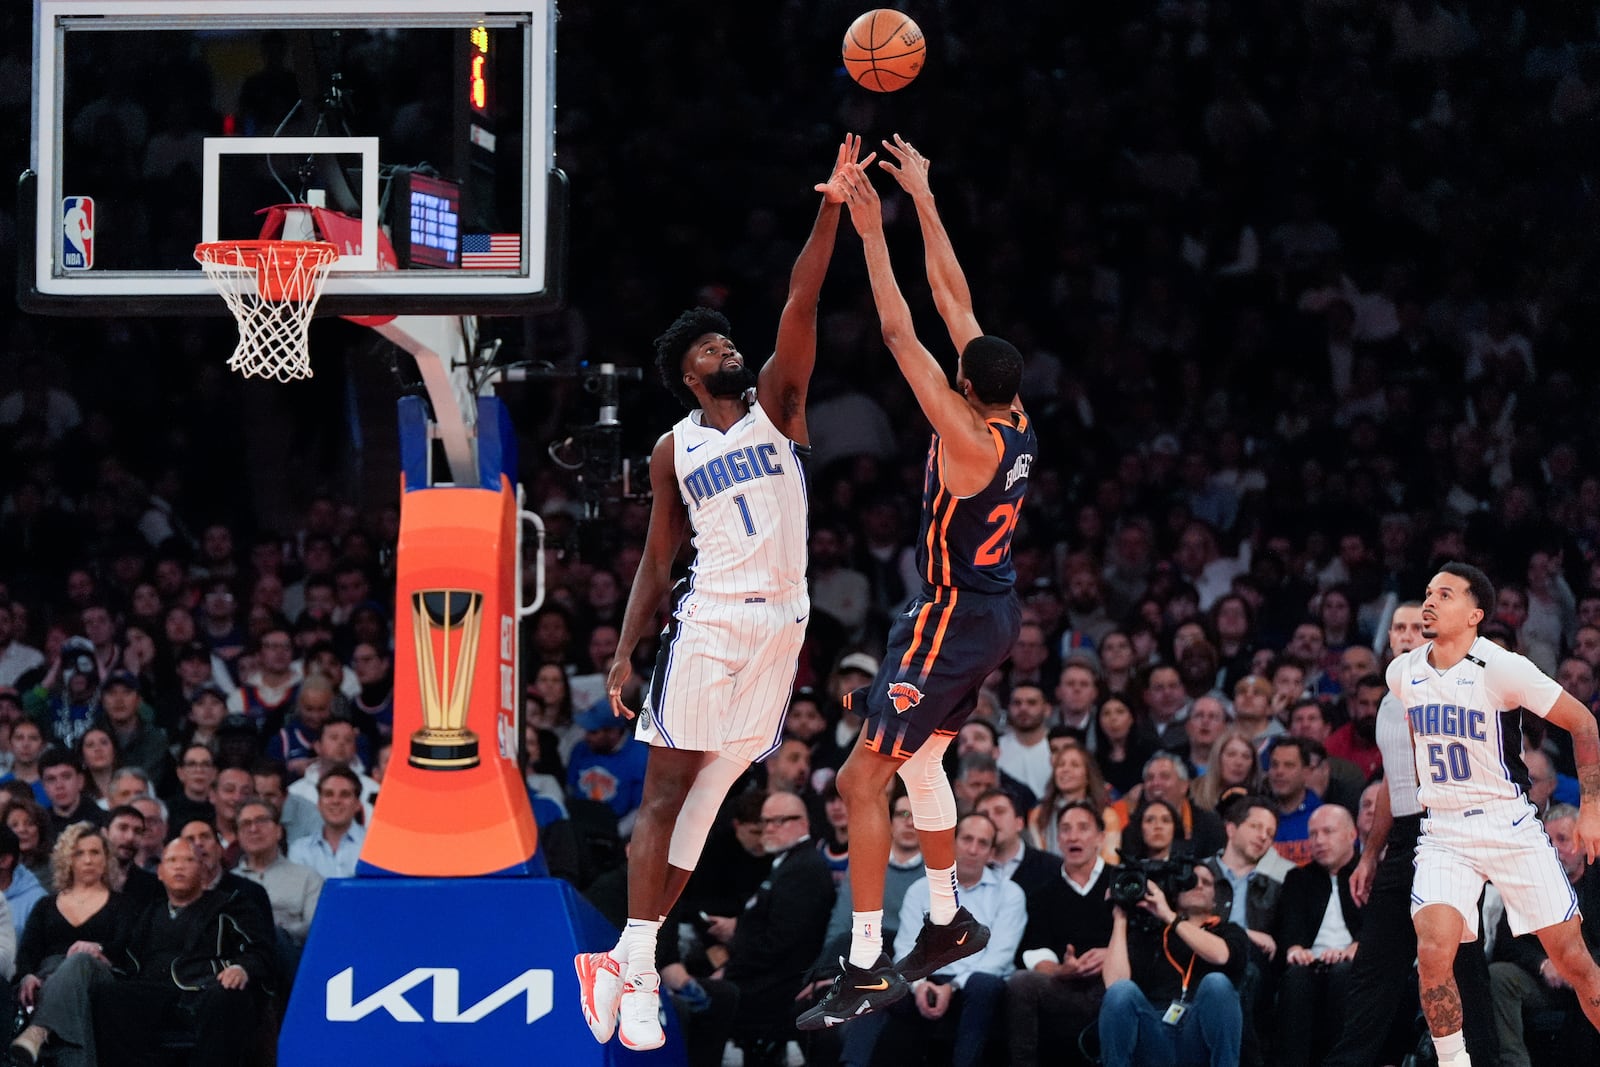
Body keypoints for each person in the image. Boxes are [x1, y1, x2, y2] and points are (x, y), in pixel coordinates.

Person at [575, 135, 866, 1053]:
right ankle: (634, 959)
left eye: (727, 337)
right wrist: (626, 651)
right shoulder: (675, 449)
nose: (728, 346)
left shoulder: (782, 400)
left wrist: (828, 210)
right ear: (689, 373)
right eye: (711, 344)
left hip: (784, 625)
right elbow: (659, 559)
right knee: (665, 793)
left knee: (712, 795)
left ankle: (626, 960)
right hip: (708, 621)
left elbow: (802, 299)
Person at [800, 135, 1036, 1028]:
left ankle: (864, 960)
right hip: (988, 610)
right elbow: (952, 298)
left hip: (950, 613)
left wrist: (870, 228)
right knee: (926, 757)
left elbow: (903, 329)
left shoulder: (970, 438)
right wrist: (926, 200)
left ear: (965, 387)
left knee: (861, 784)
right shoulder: (1011, 411)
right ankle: (942, 921)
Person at [1395, 562, 1600, 1067]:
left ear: (1475, 614)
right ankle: (1453, 1062)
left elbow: (1584, 723)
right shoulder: (1402, 673)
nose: (1430, 601)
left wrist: (1592, 809)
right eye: (1427, 592)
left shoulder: (1503, 667)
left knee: (1573, 962)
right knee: (1433, 951)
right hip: (1443, 829)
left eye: (1445, 594)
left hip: (1508, 823)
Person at [1325, 600, 1499, 1067]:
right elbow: (1391, 784)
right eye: (1398, 628)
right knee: (1375, 966)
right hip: (1402, 839)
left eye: (1415, 628)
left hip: (1449, 832)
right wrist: (1368, 854)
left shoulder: (1458, 687)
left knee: (1459, 965)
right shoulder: (1388, 697)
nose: (1404, 635)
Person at [838, 812, 1024, 1067]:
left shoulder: (1010, 893)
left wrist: (952, 987)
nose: (973, 849)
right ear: (953, 843)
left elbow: (999, 956)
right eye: (967, 839)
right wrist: (920, 985)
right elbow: (906, 946)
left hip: (975, 985)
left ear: (991, 853)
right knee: (879, 984)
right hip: (927, 978)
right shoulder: (920, 889)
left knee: (984, 983)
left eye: (982, 843)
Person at [92, 838, 270, 1067]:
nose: (179, 866)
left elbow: (260, 950)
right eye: (172, 860)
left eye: (188, 860)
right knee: (108, 994)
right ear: (160, 872)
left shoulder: (231, 906)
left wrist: (241, 968)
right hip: (153, 991)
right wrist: (101, 953)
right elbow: (124, 954)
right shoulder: (148, 912)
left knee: (227, 995)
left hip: (204, 988)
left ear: (203, 870)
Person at [1099, 859, 1247, 1067]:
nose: (1198, 885)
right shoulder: (1151, 933)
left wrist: (1169, 915)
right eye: (1191, 880)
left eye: (1206, 882)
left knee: (1216, 983)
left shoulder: (1229, 931)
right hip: (1155, 1034)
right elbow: (1114, 985)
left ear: (1215, 899)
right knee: (1121, 991)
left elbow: (1221, 955)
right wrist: (1120, 916)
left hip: (1198, 1032)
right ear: (1175, 891)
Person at [1006, 800, 1117, 1067]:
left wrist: (1111, 955)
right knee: (1021, 982)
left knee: (1123, 989)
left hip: (1114, 983)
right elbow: (1033, 947)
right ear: (1058, 840)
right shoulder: (1043, 892)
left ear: (1100, 838)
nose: (1073, 836)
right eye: (1065, 829)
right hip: (1066, 985)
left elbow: (1146, 942)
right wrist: (1059, 970)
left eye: (1083, 828)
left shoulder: (1121, 882)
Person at [9, 823, 131, 1067]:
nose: (87, 860)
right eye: (79, 852)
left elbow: (126, 948)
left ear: (106, 858)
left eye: (95, 852)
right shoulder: (45, 905)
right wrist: (27, 975)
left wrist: (98, 948)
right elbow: (28, 951)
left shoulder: (123, 905)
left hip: (99, 975)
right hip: (49, 978)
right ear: (67, 858)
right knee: (74, 1007)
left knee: (80, 959)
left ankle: (39, 1030)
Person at [1273, 804, 1362, 1067]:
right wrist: (1294, 949)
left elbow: (1378, 928)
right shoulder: (1298, 877)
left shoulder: (1369, 875)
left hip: (1353, 961)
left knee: (1343, 975)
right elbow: (1289, 926)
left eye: (1328, 832)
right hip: (1311, 961)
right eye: (1313, 834)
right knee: (1295, 977)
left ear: (1351, 835)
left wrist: (1358, 946)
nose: (1319, 840)